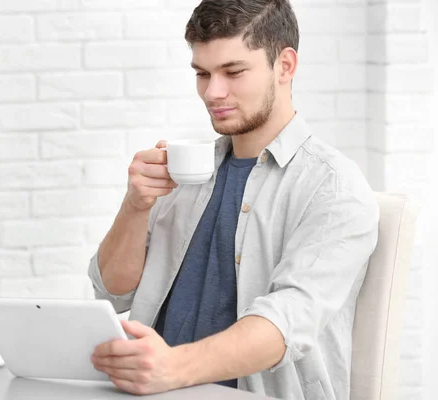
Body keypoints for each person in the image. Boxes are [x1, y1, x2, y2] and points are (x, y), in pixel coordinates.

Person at [87, 0, 379, 398]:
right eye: (202, 74)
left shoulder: (334, 188)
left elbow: (287, 321)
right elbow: (113, 292)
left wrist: (172, 367)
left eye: (233, 71)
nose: (212, 92)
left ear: (285, 66)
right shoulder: (185, 171)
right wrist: (135, 206)